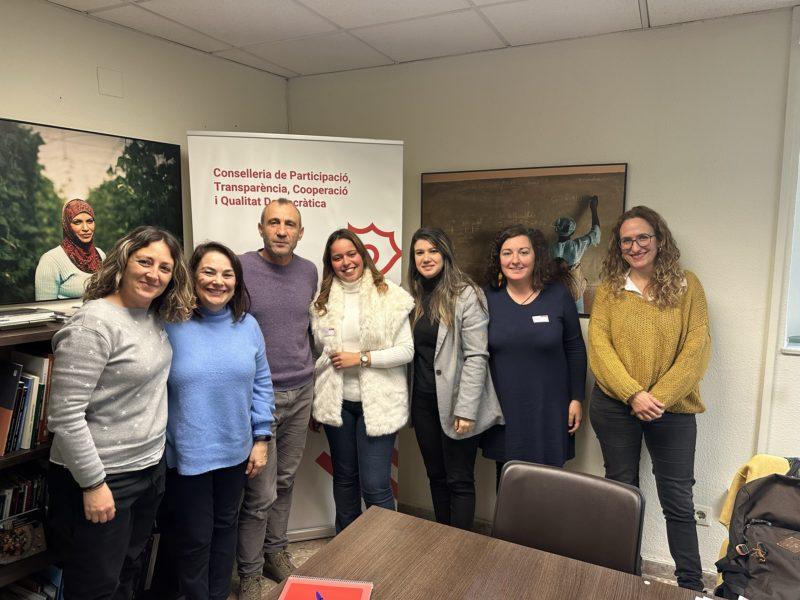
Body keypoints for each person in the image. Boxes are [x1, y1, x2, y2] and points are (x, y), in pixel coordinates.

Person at [46, 226, 193, 600]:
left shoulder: (150, 316)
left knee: (128, 572)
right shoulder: (93, 323)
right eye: (145, 262)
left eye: (164, 267)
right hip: (104, 477)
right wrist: (94, 484)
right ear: (124, 261)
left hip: (147, 470)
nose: (153, 274)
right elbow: (64, 416)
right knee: (96, 587)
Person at [588, 205, 711, 592]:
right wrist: (633, 394)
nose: (635, 245)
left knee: (677, 498)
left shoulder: (688, 286)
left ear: (660, 240)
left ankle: (690, 585)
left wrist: (655, 397)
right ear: (618, 247)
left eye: (643, 237)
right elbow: (599, 347)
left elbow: (696, 349)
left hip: (671, 409)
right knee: (621, 493)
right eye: (627, 240)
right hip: (614, 405)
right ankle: (621, 577)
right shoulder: (609, 290)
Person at [164, 242, 275, 600]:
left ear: (237, 282)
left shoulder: (248, 326)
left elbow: (262, 384)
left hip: (236, 449)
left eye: (227, 274)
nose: (218, 281)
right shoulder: (169, 324)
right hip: (188, 454)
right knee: (195, 537)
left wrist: (261, 438)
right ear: (192, 277)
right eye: (209, 272)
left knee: (226, 528)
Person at [236, 199, 318, 596]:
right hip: (258, 397)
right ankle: (250, 570)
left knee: (284, 482)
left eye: (290, 224)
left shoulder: (309, 271)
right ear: (261, 228)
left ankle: (276, 551)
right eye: (274, 223)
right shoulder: (240, 268)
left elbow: (309, 328)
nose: (282, 230)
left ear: (300, 233)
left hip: (302, 390)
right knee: (259, 492)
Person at [310, 229, 414, 532]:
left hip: (378, 404)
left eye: (351, 253)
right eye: (337, 257)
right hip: (337, 403)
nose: (346, 261)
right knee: (344, 480)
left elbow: (406, 351)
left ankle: (384, 553)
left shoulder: (390, 295)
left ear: (362, 254)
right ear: (331, 263)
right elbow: (321, 351)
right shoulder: (323, 301)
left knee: (375, 485)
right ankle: (346, 550)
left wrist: (363, 358)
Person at [407, 227, 503, 530]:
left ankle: (461, 549)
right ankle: (442, 539)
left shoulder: (466, 295)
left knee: (459, 479)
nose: (426, 258)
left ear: (445, 254)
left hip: (457, 401)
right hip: (423, 402)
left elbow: (477, 355)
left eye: (433, 251)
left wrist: (466, 408)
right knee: (435, 475)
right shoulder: (412, 295)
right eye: (420, 252)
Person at [480, 224, 586, 487]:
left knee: (548, 486)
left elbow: (575, 348)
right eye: (507, 253)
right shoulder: (486, 298)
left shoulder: (558, 296)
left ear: (536, 256)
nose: (515, 260)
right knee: (508, 483)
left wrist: (576, 398)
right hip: (504, 409)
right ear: (498, 259)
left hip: (550, 408)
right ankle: (506, 531)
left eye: (523, 252)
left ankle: (546, 531)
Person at [35, 198, 106, 300]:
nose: (86, 228)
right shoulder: (51, 260)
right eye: (77, 222)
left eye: (90, 221)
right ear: (67, 226)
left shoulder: (100, 255)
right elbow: (45, 311)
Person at [550, 195, 601, 312]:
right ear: (572, 230)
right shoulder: (577, 245)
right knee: (578, 320)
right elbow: (596, 233)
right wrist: (594, 208)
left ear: (556, 230)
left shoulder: (549, 249)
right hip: (575, 292)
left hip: (556, 294)